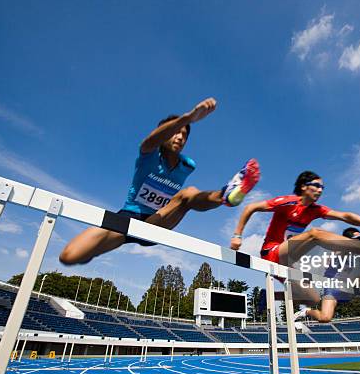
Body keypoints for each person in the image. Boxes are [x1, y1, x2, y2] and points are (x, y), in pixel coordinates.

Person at [60, 98, 260, 265]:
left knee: (187, 194)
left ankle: (227, 194)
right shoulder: (150, 155)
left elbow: (192, 199)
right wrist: (187, 118)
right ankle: (93, 252)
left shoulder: (187, 165)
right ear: (165, 133)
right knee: (70, 256)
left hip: (159, 220)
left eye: (185, 135)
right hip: (128, 218)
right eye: (176, 132)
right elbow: (150, 141)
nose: (180, 137)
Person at [230, 170, 360, 323]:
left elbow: (345, 216)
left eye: (322, 187)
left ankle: (270, 296)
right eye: (316, 186)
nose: (320, 190)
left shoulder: (315, 210)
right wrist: (237, 235)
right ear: (304, 187)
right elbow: (250, 207)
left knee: (314, 299)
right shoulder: (287, 202)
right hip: (272, 252)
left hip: (289, 260)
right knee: (315, 234)